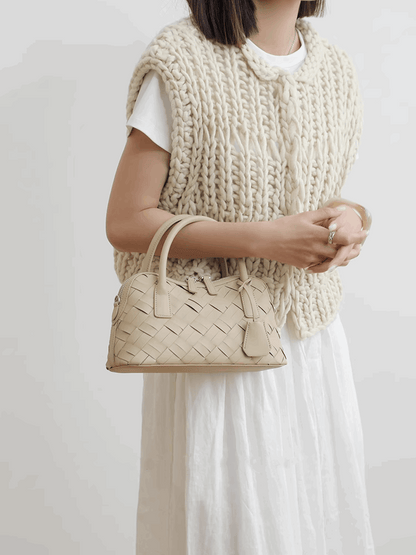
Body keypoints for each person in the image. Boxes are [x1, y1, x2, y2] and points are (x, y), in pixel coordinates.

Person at [106, 1, 375, 553]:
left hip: (312, 348)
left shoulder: (336, 70)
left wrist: (348, 221)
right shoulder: (181, 63)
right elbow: (126, 221)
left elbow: (313, 195)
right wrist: (263, 239)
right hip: (215, 351)